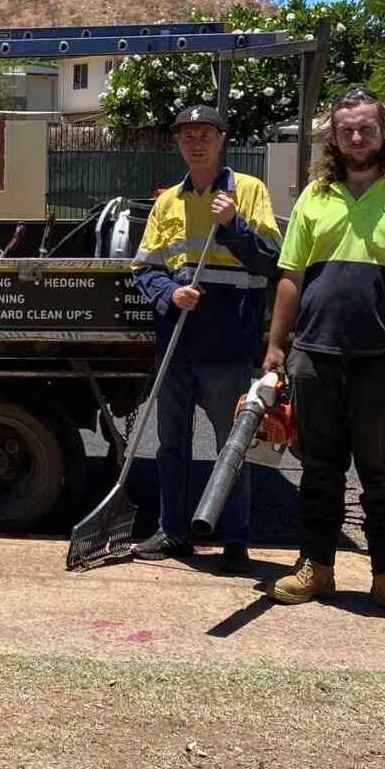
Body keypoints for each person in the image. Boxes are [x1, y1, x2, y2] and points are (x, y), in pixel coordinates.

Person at [264, 89, 385, 625]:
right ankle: (316, 567)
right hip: (315, 356)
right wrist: (276, 345)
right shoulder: (315, 195)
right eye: (346, 130)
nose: (356, 137)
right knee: (319, 471)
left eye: (366, 129)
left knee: (383, 474)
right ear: (334, 137)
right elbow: (291, 276)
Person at [128, 104, 283, 573]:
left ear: (222, 140)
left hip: (228, 340)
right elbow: (144, 266)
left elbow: (272, 262)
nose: (196, 142)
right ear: (178, 142)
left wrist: (234, 226)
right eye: (187, 135)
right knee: (171, 445)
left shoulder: (248, 191)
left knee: (230, 444)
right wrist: (171, 293)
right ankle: (174, 532)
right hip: (177, 339)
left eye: (205, 134)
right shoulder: (167, 202)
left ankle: (234, 539)